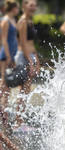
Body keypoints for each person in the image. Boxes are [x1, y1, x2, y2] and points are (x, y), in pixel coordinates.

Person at [14, 0, 40, 131]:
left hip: (30, 56)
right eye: (31, 5)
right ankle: (18, 123)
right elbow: (23, 44)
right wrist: (30, 62)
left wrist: (37, 61)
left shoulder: (30, 21)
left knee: (26, 90)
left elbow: (31, 43)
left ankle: (21, 121)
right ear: (24, 6)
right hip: (24, 57)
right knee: (23, 90)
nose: (33, 7)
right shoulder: (23, 21)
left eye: (35, 5)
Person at [0, 0, 19, 128]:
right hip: (6, 54)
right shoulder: (5, 21)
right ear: (13, 8)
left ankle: (4, 107)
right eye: (17, 8)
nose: (18, 10)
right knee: (4, 80)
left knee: (9, 82)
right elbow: (4, 40)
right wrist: (8, 56)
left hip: (12, 54)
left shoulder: (14, 20)